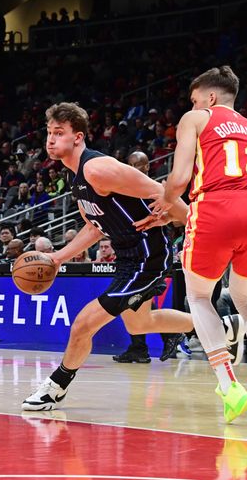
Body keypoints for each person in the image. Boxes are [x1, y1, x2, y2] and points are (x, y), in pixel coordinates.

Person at [22, 102, 201, 412]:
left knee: (82, 325)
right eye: (49, 133)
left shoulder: (97, 168)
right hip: (129, 256)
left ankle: (56, 387)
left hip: (148, 253)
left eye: (59, 133)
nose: (51, 140)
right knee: (140, 324)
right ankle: (221, 327)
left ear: (77, 137)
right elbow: (94, 228)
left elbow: (160, 190)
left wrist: (191, 224)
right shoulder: (79, 181)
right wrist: (58, 258)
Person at [155, 66, 247, 424]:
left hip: (217, 208)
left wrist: (166, 202)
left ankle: (230, 388)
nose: (193, 104)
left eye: (195, 99)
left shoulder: (197, 118)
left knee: (199, 297)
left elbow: (181, 177)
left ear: (210, 98)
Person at [112, 150, 182, 364]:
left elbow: (180, 219)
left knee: (134, 298)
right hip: (131, 251)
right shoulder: (125, 189)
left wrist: (165, 215)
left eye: (140, 165)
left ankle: (173, 334)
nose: (136, 169)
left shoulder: (155, 189)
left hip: (153, 251)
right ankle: (140, 347)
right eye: (132, 164)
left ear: (147, 167)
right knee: (136, 301)